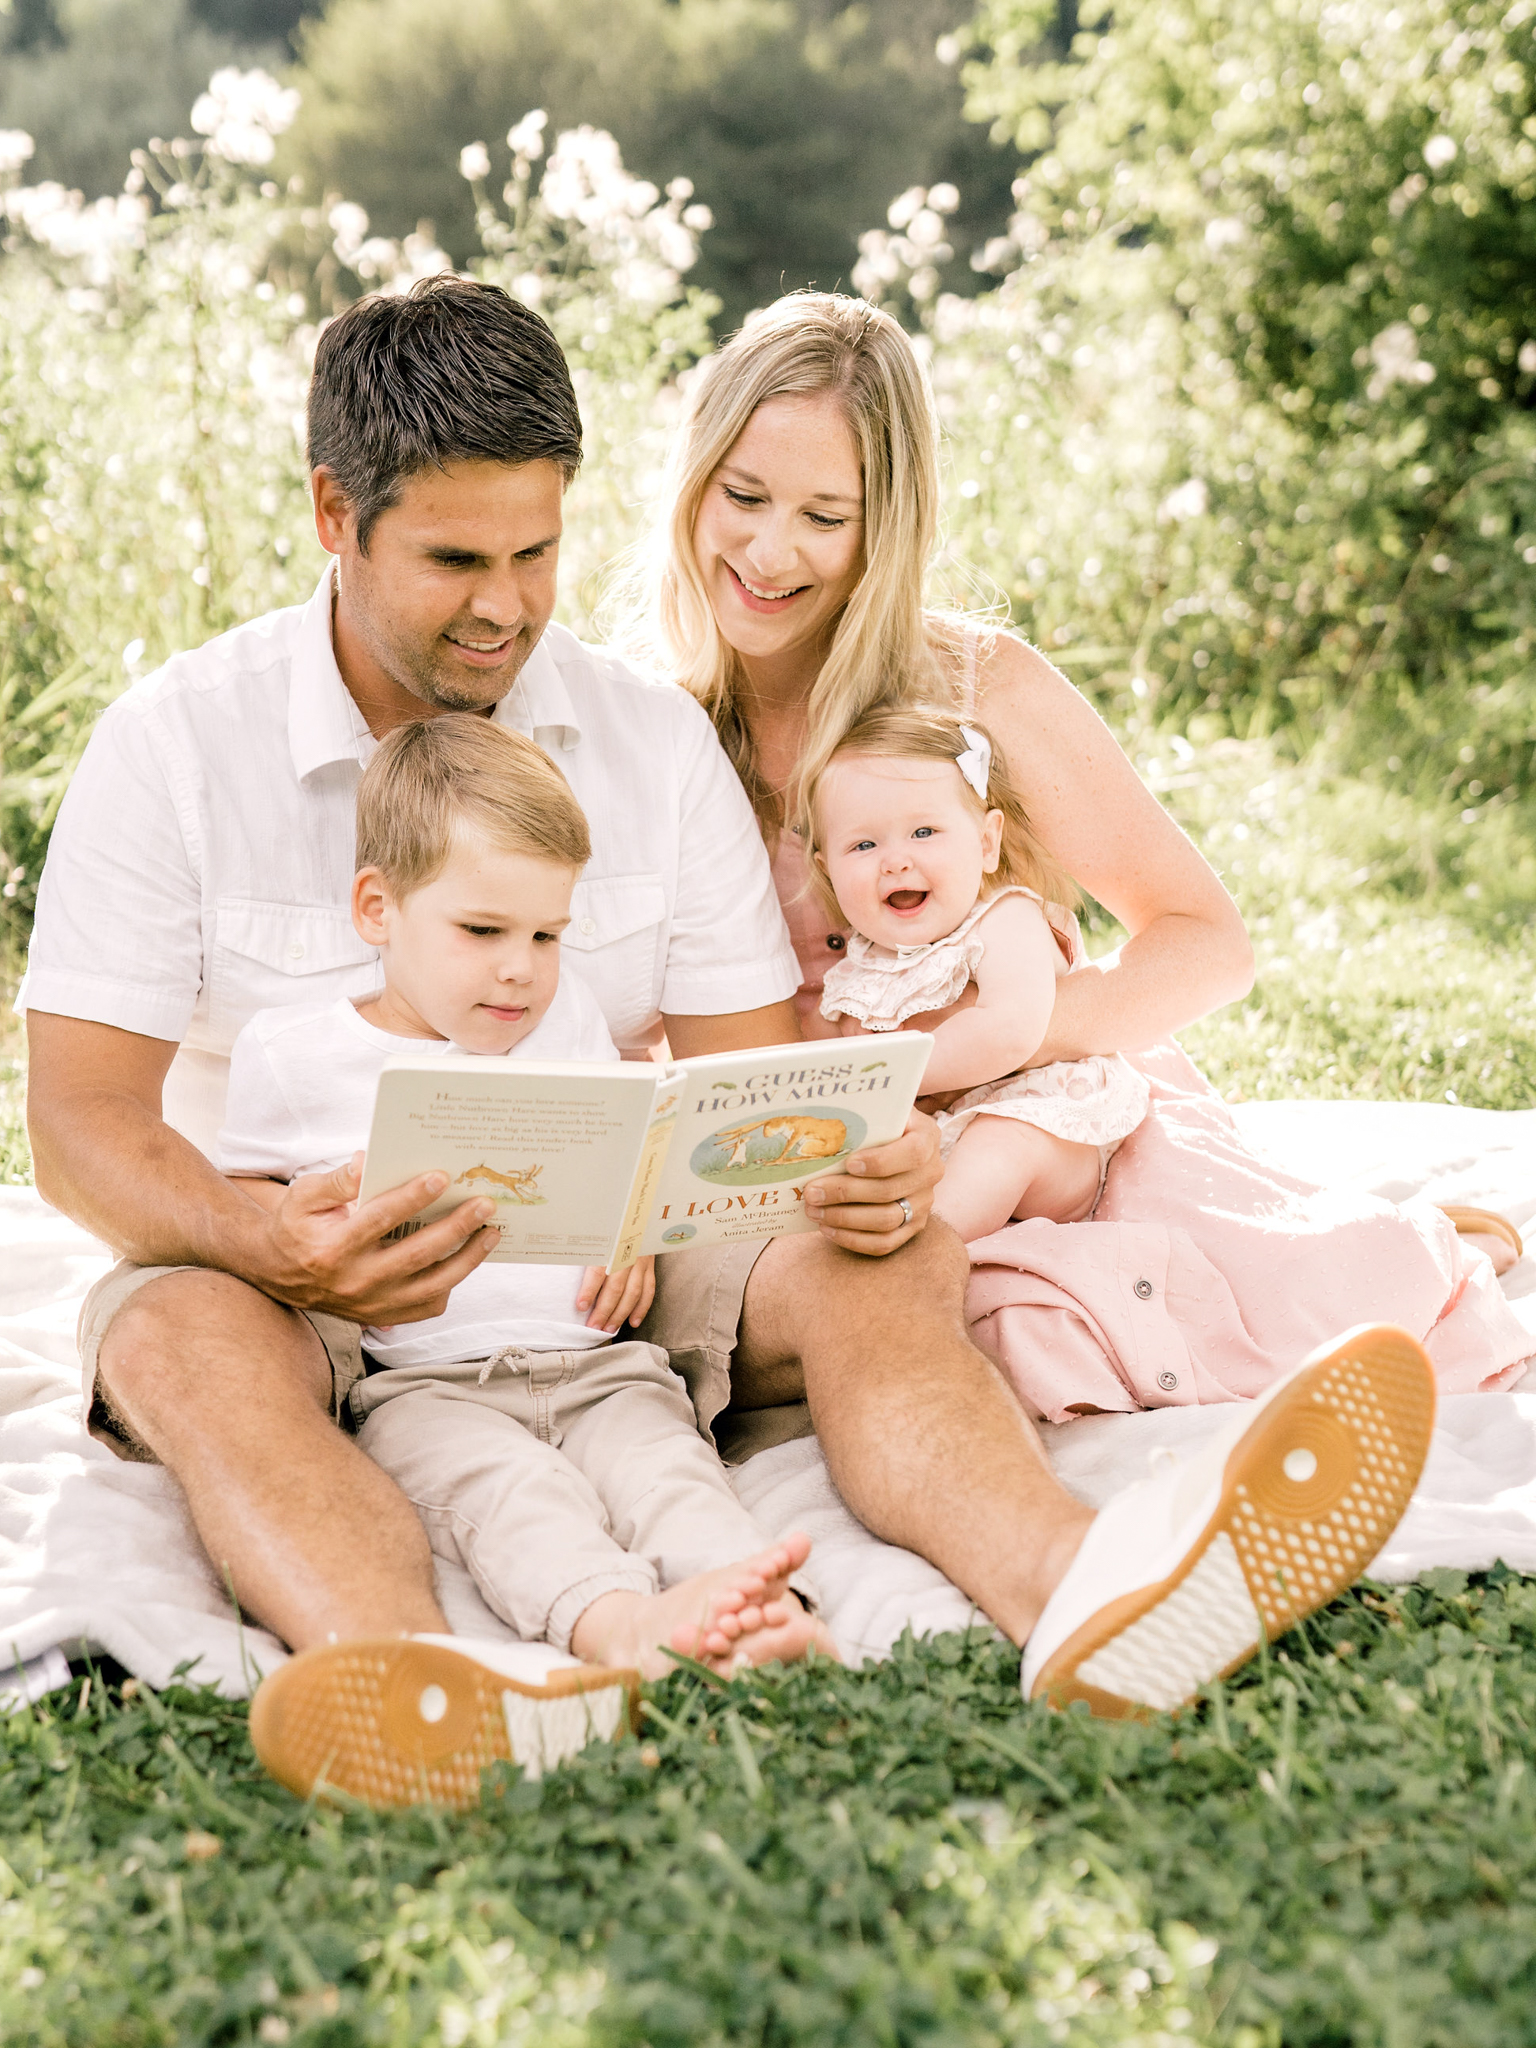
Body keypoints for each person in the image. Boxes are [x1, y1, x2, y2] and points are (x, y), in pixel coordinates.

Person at [14, 276, 1422, 1802]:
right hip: (288, 1273)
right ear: (332, 516)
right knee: (172, 1333)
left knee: (877, 1253)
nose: (503, 605)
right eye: (452, 560)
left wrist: (840, 1164)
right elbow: (81, 1119)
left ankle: (1086, 1594)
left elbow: (756, 1088)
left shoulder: (645, 741)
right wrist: (268, 1243)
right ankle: (414, 1685)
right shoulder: (175, 745)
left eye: (538, 553)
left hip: (599, 1276)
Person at [799, 702, 1149, 1240]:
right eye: (864, 845)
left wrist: (883, 1075)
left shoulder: (1004, 919)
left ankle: (927, 1246)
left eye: (923, 832)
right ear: (829, 869)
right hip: (937, 1144)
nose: (895, 860)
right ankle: (874, 1232)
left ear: (986, 843)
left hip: (1046, 1127)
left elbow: (1009, 1028)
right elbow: (824, 1054)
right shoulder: (860, 966)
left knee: (1001, 1143)